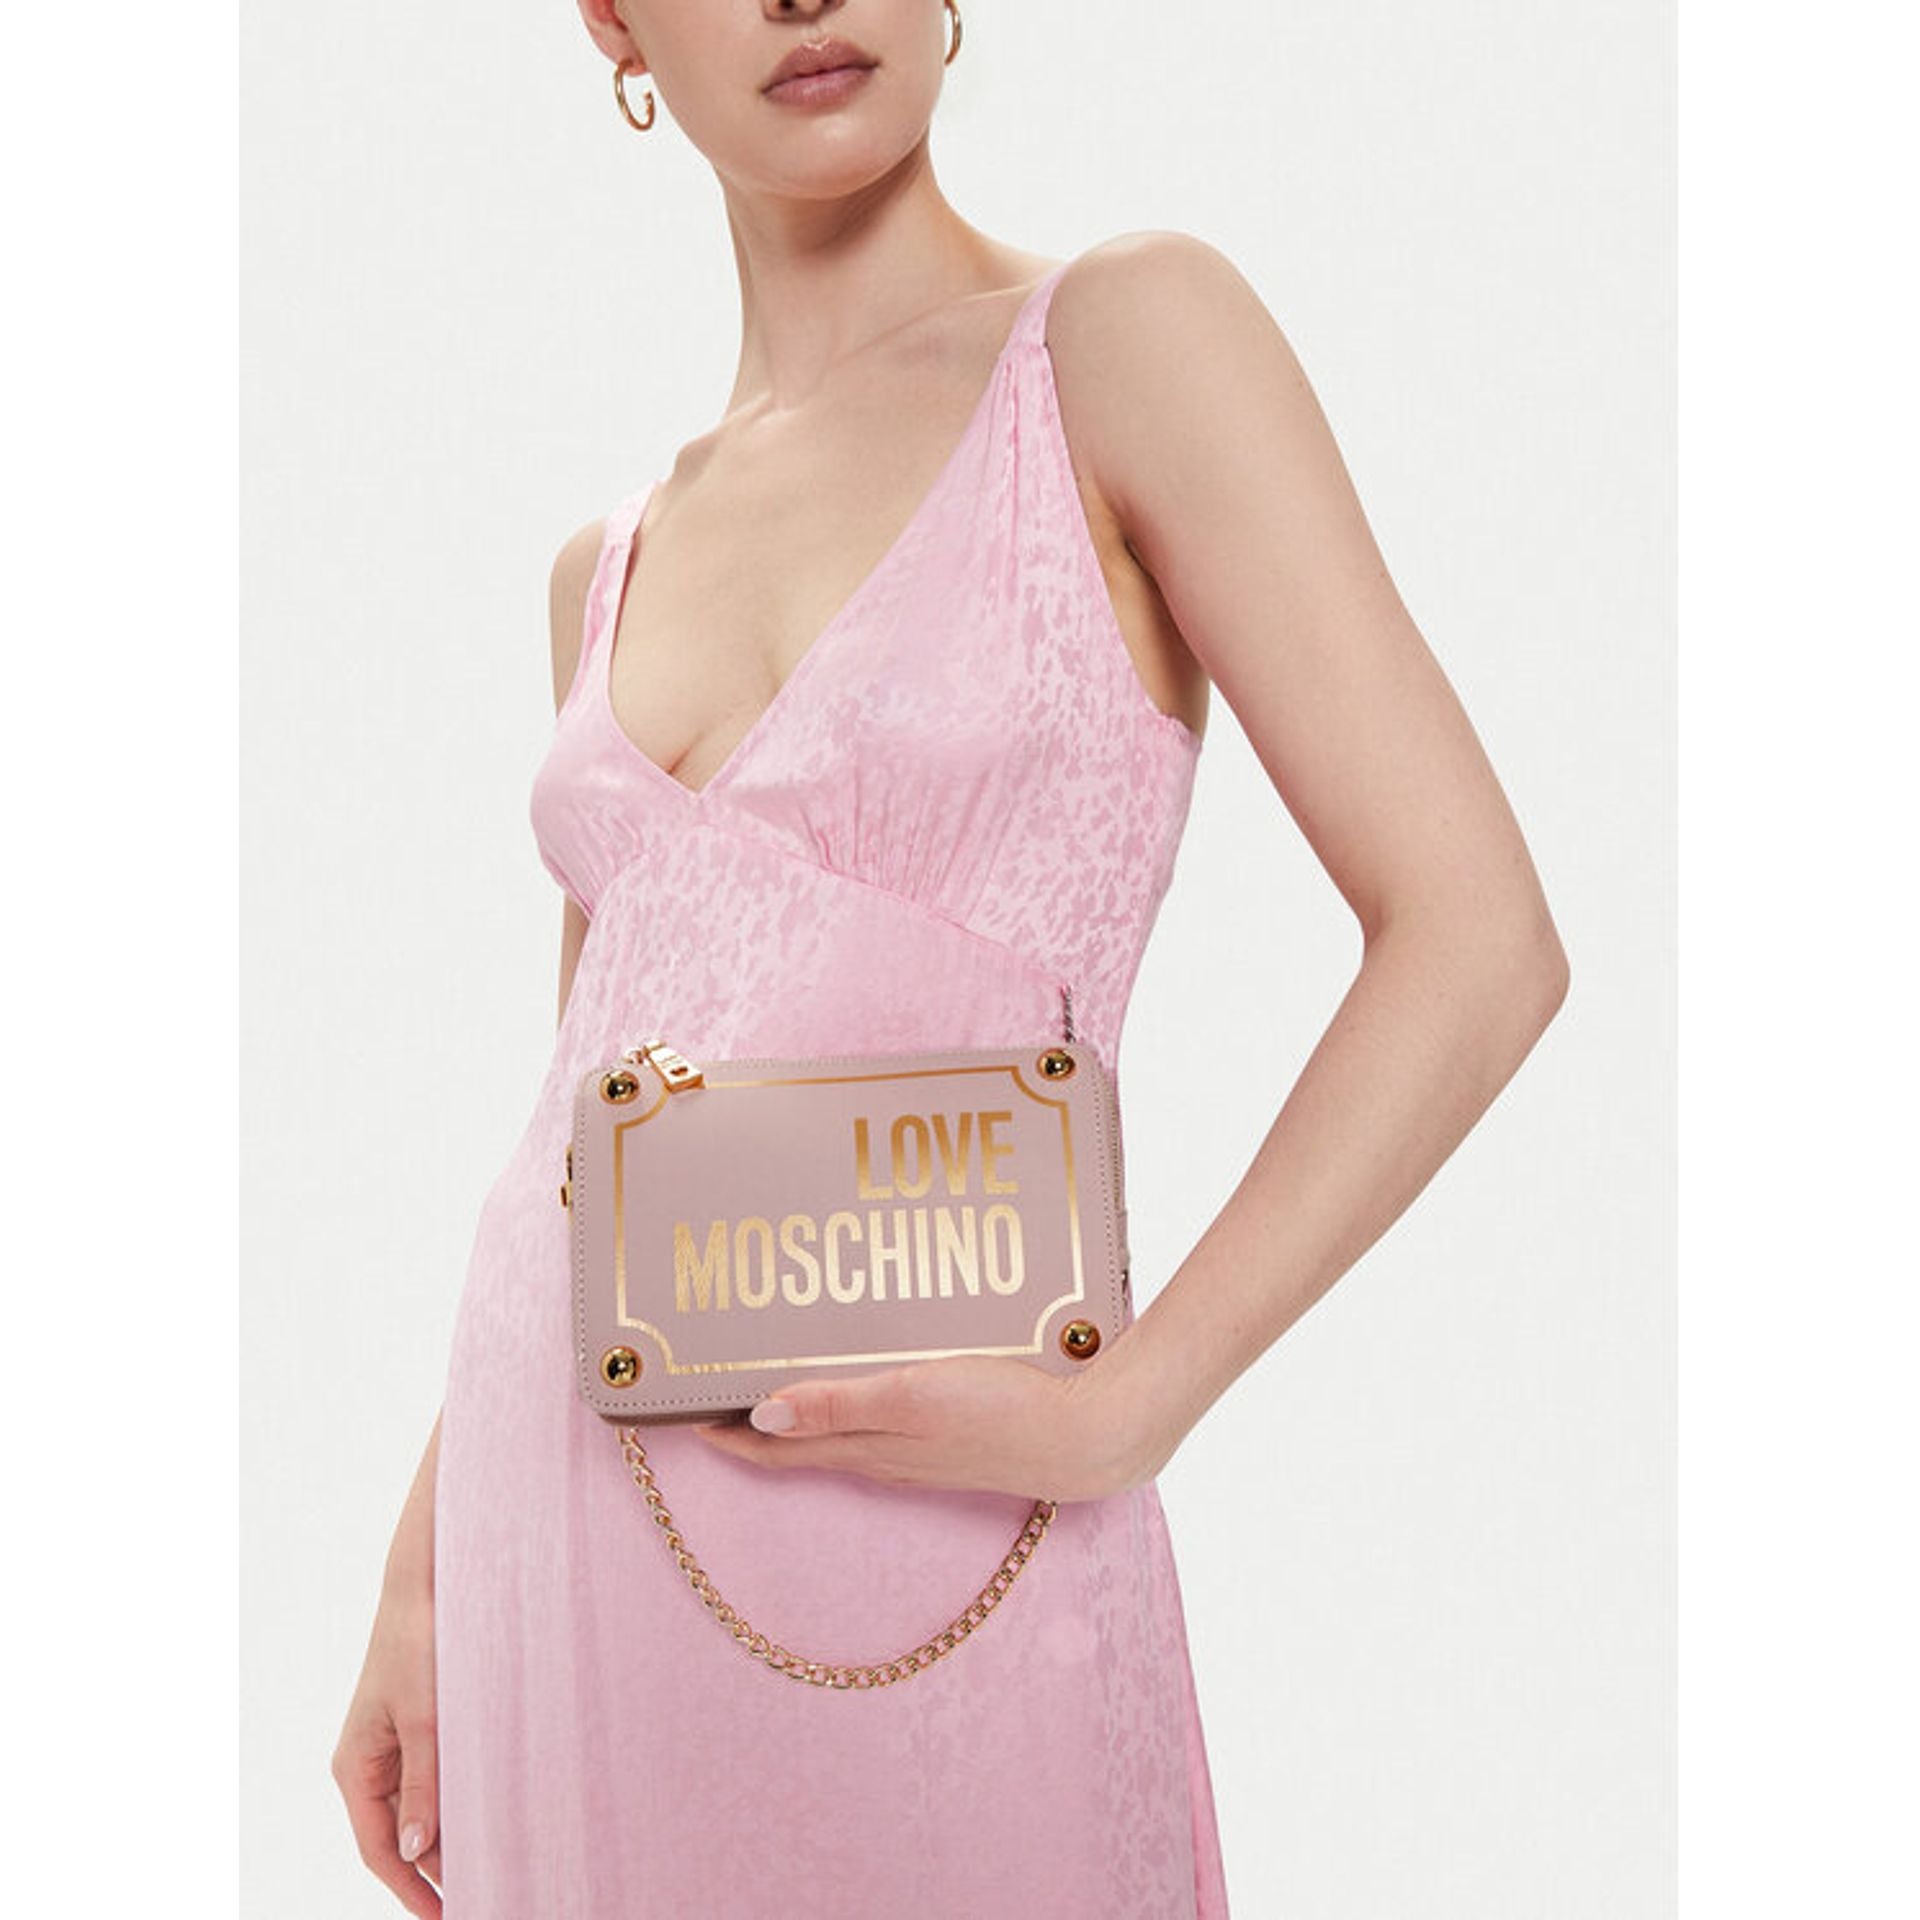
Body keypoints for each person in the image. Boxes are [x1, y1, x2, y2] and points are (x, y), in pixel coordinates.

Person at [332, 2, 1571, 1914]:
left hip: (962, 1523)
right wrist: (424, 1563)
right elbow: (593, 1118)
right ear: (614, 23)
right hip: (554, 1531)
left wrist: (1139, 1400)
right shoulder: (606, 570)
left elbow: (1479, 941)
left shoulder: (1128, 344)